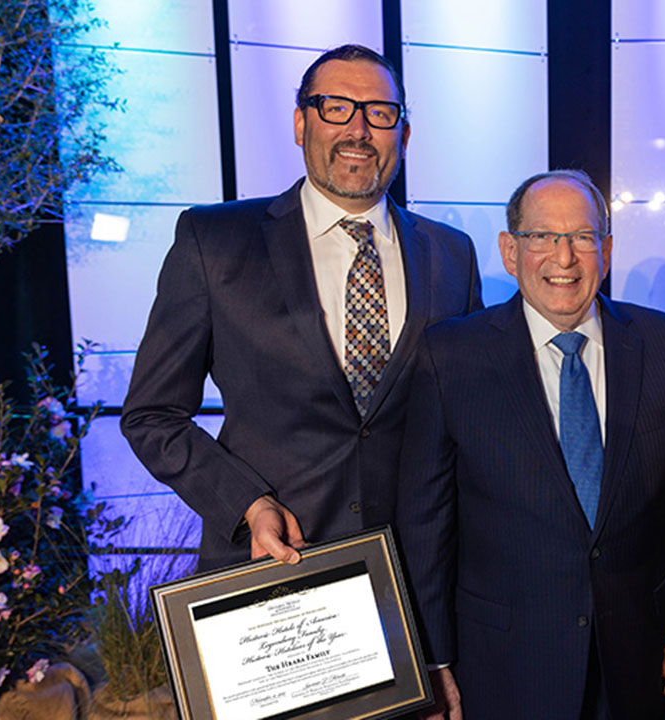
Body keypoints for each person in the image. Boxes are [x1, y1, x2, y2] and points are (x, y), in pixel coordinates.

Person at [121, 44, 482, 572]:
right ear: (300, 123)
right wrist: (246, 502)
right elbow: (151, 416)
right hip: (274, 569)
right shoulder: (215, 241)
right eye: (336, 107)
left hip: (418, 578)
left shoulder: (451, 254)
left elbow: (471, 423)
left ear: (403, 135)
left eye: (380, 114)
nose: (358, 130)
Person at [398, 170, 665, 719]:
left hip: (639, 666)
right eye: (542, 237)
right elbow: (427, 523)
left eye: (583, 237)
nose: (564, 258)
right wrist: (433, 659)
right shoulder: (451, 356)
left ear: (607, 250)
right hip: (503, 665)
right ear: (509, 251)